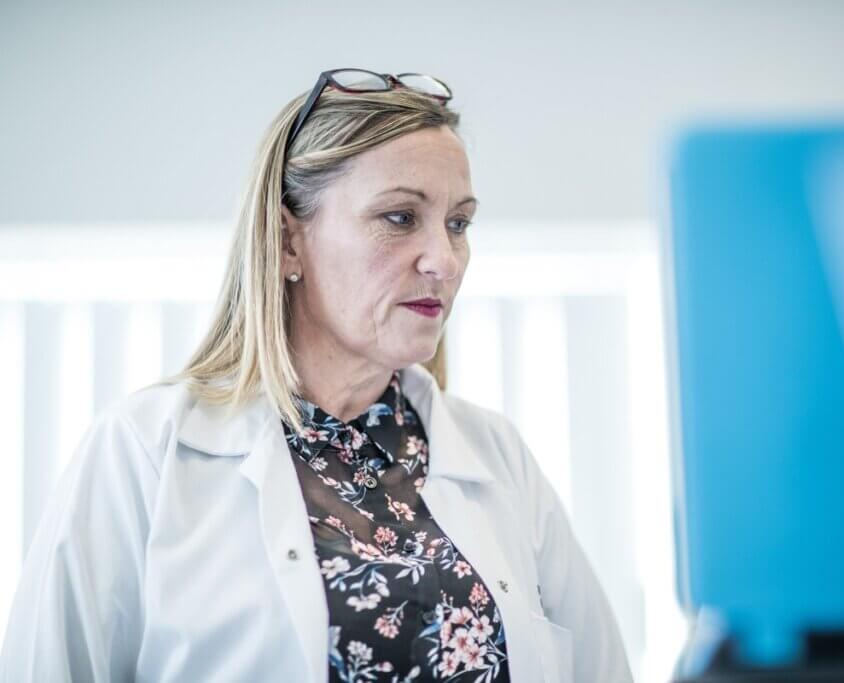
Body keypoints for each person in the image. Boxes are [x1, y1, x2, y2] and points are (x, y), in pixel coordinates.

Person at [0, 69, 632, 682]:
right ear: (287, 242)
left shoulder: (497, 456)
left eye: (458, 224)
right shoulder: (144, 451)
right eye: (399, 217)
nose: (445, 260)